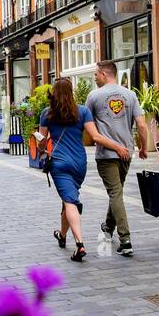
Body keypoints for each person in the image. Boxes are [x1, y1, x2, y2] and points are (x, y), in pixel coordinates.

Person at [38, 77, 130, 262]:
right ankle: (62, 236)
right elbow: (96, 136)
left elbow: (41, 144)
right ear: (71, 92)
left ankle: (80, 244)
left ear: (54, 93)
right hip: (79, 163)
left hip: (59, 163)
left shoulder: (47, 114)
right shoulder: (82, 111)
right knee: (68, 198)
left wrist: (41, 145)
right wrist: (118, 146)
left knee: (70, 201)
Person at [85, 60, 149, 257]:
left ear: (104, 74)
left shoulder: (94, 96)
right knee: (117, 192)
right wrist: (143, 147)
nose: (94, 78)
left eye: (96, 74)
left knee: (115, 193)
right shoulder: (130, 95)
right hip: (126, 153)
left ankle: (126, 239)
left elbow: (87, 127)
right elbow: (142, 125)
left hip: (106, 154)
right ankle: (108, 228)